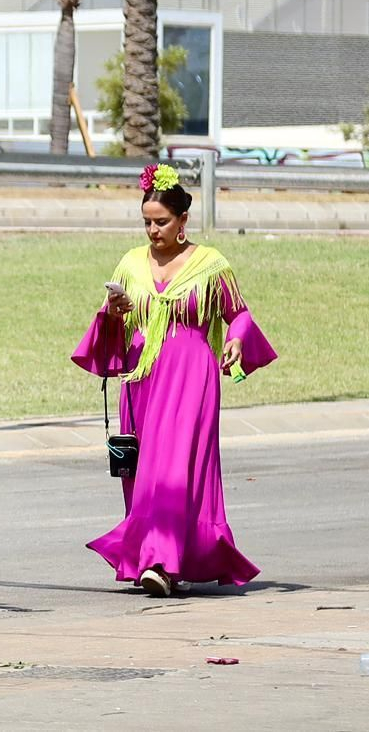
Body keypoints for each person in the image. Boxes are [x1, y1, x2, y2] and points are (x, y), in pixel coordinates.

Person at [72, 163, 277, 597]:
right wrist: (114, 311)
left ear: (183, 220)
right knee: (144, 471)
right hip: (141, 377)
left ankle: (162, 563)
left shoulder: (210, 265)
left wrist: (237, 341)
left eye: (161, 222)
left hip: (191, 377)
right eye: (146, 221)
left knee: (175, 469)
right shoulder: (130, 263)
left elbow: (238, 314)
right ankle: (154, 557)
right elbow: (109, 324)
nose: (152, 230)